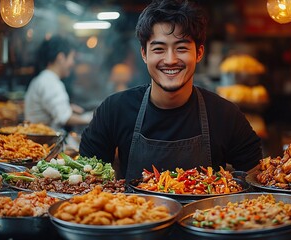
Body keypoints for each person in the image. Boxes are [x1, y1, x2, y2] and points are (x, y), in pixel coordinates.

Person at [79, 0, 262, 181]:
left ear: (199, 53)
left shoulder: (225, 115)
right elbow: (86, 178)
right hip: (133, 210)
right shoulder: (114, 110)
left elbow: (258, 178)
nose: (170, 60)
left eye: (181, 48)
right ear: (144, 54)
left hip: (206, 211)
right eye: (159, 49)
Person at [24, 35, 91, 130]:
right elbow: (64, 118)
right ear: (61, 58)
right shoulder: (50, 82)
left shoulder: (45, 78)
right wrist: (92, 119)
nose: (73, 63)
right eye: (72, 57)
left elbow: (50, 107)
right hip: (44, 142)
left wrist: (68, 108)